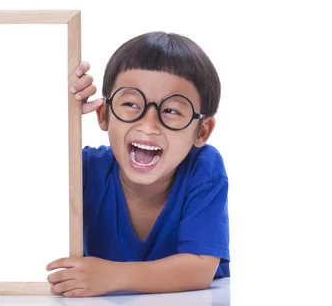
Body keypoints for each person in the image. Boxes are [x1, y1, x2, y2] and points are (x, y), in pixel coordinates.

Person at [45, 32, 230, 297]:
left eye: (172, 110)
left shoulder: (204, 170)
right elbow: (24, 167)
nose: (148, 125)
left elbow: (199, 269)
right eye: (131, 104)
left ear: (201, 131)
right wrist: (59, 106)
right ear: (104, 114)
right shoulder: (83, 168)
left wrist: (112, 276)